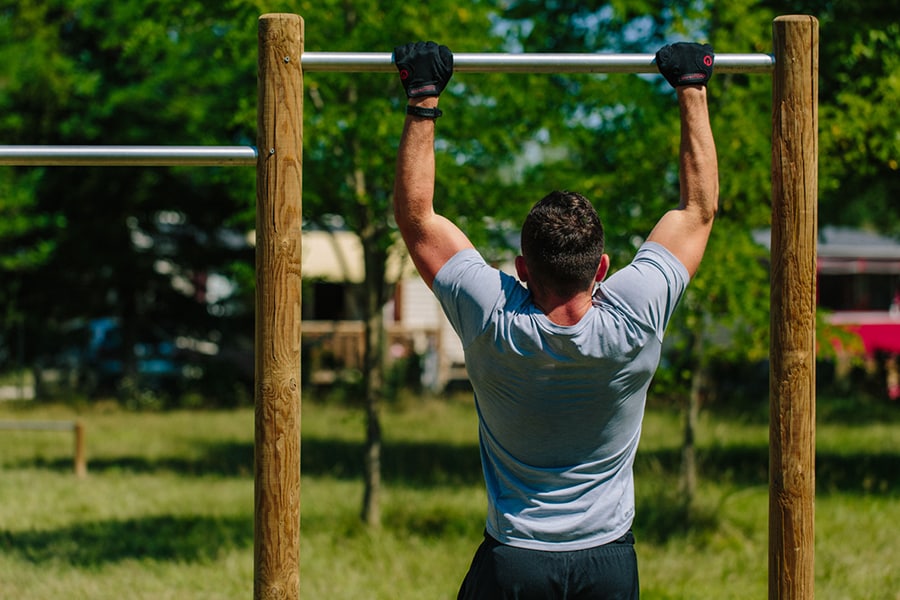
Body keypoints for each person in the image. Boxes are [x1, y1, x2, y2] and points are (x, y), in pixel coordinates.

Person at [392, 41, 718, 599]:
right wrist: (693, 86)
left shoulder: (491, 314)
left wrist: (423, 99)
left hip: (515, 561)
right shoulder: (634, 317)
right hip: (608, 563)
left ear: (520, 268)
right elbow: (698, 209)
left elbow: (417, 218)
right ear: (604, 267)